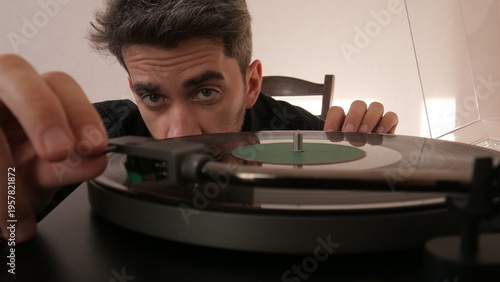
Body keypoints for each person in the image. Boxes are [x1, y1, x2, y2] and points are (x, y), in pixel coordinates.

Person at [0, 0, 398, 243]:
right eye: (153, 96)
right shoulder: (88, 141)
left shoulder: (303, 136)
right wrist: (14, 203)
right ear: (133, 88)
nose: (181, 133)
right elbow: (17, 250)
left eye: (205, 92)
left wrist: (375, 164)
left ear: (251, 82)